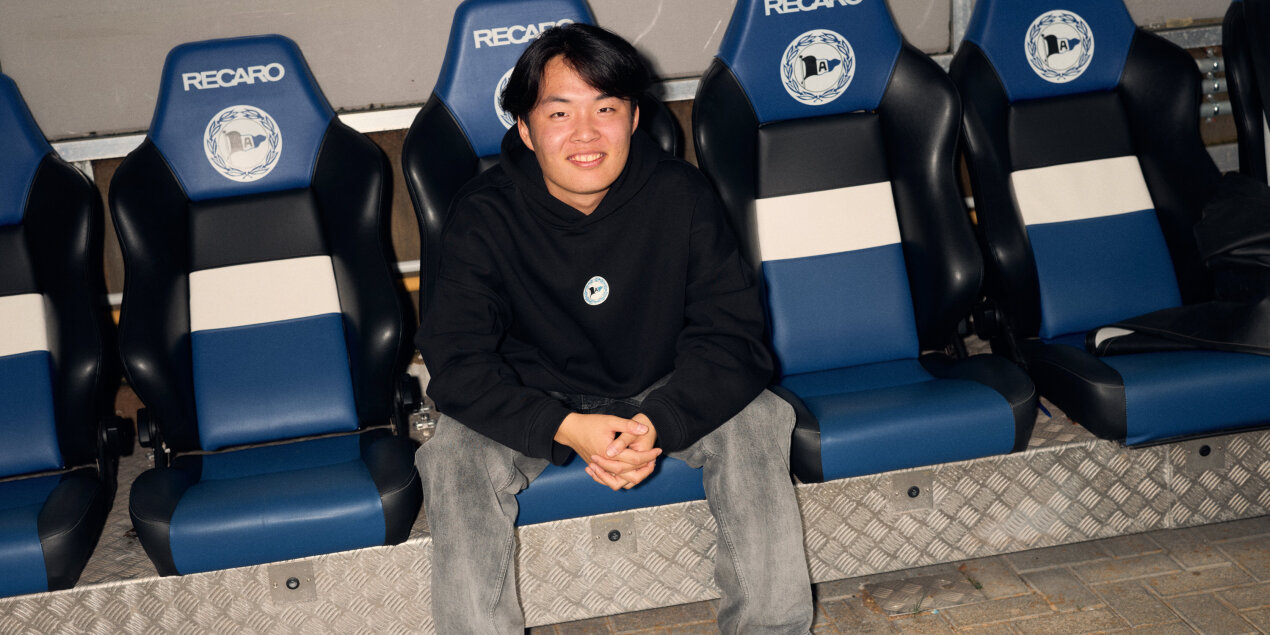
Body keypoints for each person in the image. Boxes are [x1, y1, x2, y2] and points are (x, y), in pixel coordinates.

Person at [415, 22, 813, 634]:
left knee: (758, 418)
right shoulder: (482, 215)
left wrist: (660, 421)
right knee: (453, 456)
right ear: (525, 129)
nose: (585, 133)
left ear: (633, 118)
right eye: (559, 113)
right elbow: (458, 362)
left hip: (661, 385)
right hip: (537, 395)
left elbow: (732, 337)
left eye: (606, 108)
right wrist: (565, 426)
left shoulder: (682, 194)